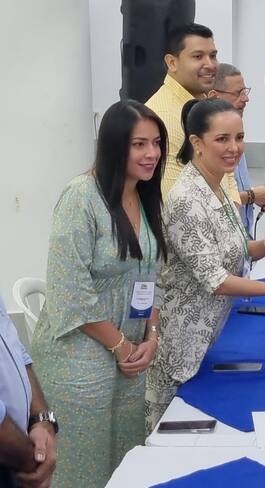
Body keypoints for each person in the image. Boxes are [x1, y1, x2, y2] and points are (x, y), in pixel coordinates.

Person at [145, 99, 265, 432]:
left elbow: (238, 251)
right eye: (222, 139)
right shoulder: (186, 199)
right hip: (183, 346)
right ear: (197, 142)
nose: (234, 148)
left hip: (213, 336)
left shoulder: (217, 186)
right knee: (174, 438)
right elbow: (217, 280)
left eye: (240, 137)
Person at [30, 100, 168, 487]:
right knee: (83, 471)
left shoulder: (144, 195)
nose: (152, 153)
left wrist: (151, 338)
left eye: (156, 143)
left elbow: (153, 275)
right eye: (139, 144)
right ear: (113, 146)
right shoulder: (81, 197)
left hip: (131, 354)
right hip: (81, 357)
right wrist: (120, 345)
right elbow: (71, 290)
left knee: (126, 463)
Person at [146, 23, 239, 202]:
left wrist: (233, 212)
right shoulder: (162, 117)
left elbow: (227, 176)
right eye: (198, 56)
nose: (210, 65)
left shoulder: (205, 106)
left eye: (213, 56)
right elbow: (175, 202)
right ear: (172, 62)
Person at [209, 63, 265, 237]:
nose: (245, 99)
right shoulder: (207, 147)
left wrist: (257, 195)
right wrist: (251, 196)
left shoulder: (235, 134)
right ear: (214, 96)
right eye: (238, 93)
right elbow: (211, 202)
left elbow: (233, 188)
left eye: (245, 92)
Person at [1, 297, 57, 488]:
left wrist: (41, 420)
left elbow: (16, 349)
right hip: (13, 454)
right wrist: (31, 462)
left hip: (17, 447)